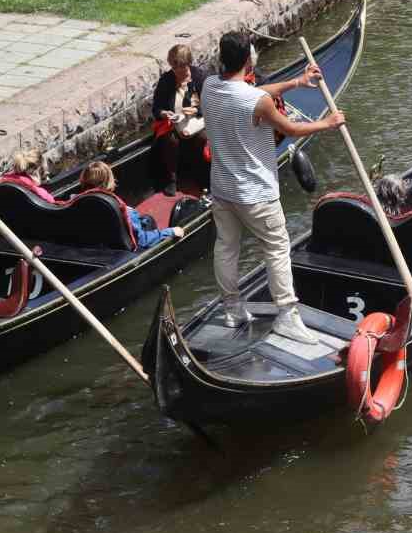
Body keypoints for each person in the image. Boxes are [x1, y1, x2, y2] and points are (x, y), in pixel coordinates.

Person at [202, 30, 344, 342]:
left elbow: (257, 94)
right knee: (277, 248)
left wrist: (296, 81)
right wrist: (328, 123)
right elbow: (290, 128)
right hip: (256, 193)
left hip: (222, 189)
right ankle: (287, 316)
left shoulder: (209, 87)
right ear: (248, 62)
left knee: (226, 247)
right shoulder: (256, 101)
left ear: (222, 59)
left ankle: (232, 309)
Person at [80, 160, 185, 250]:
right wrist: (170, 232)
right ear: (110, 183)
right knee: (148, 221)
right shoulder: (125, 213)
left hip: (99, 247)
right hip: (124, 250)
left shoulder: (77, 205)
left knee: (145, 219)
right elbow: (142, 241)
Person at [151, 43, 210, 196]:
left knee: (203, 138)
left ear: (188, 64)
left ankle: (202, 176)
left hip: (197, 122)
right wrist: (165, 113)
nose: (178, 71)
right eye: (174, 67)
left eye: (181, 67)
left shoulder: (201, 77)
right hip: (174, 123)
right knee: (170, 140)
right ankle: (171, 179)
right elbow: (156, 108)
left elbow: (211, 104)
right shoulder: (166, 80)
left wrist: (197, 110)